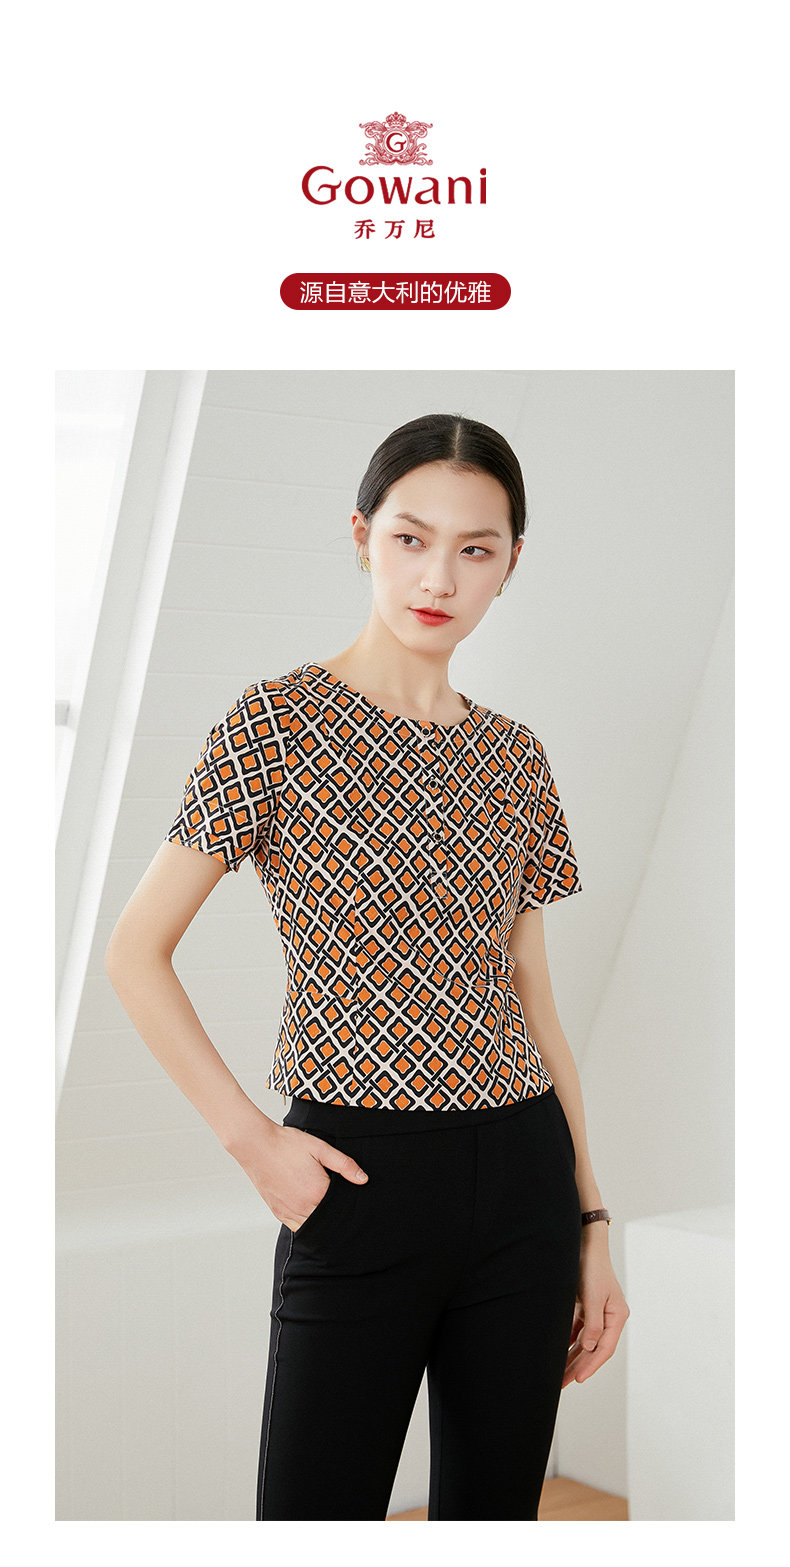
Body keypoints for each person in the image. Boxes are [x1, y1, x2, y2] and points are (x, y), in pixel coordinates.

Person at [105, 411, 629, 1522]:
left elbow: (534, 1000)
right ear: (361, 537)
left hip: (525, 1178)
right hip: (356, 1175)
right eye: (410, 538)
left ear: (510, 564)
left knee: (495, 1515)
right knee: (313, 1514)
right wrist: (256, 1145)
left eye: (475, 549)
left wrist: (591, 1223)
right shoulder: (275, 723)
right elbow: (134, 951)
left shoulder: (515, 755)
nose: (438, 577)